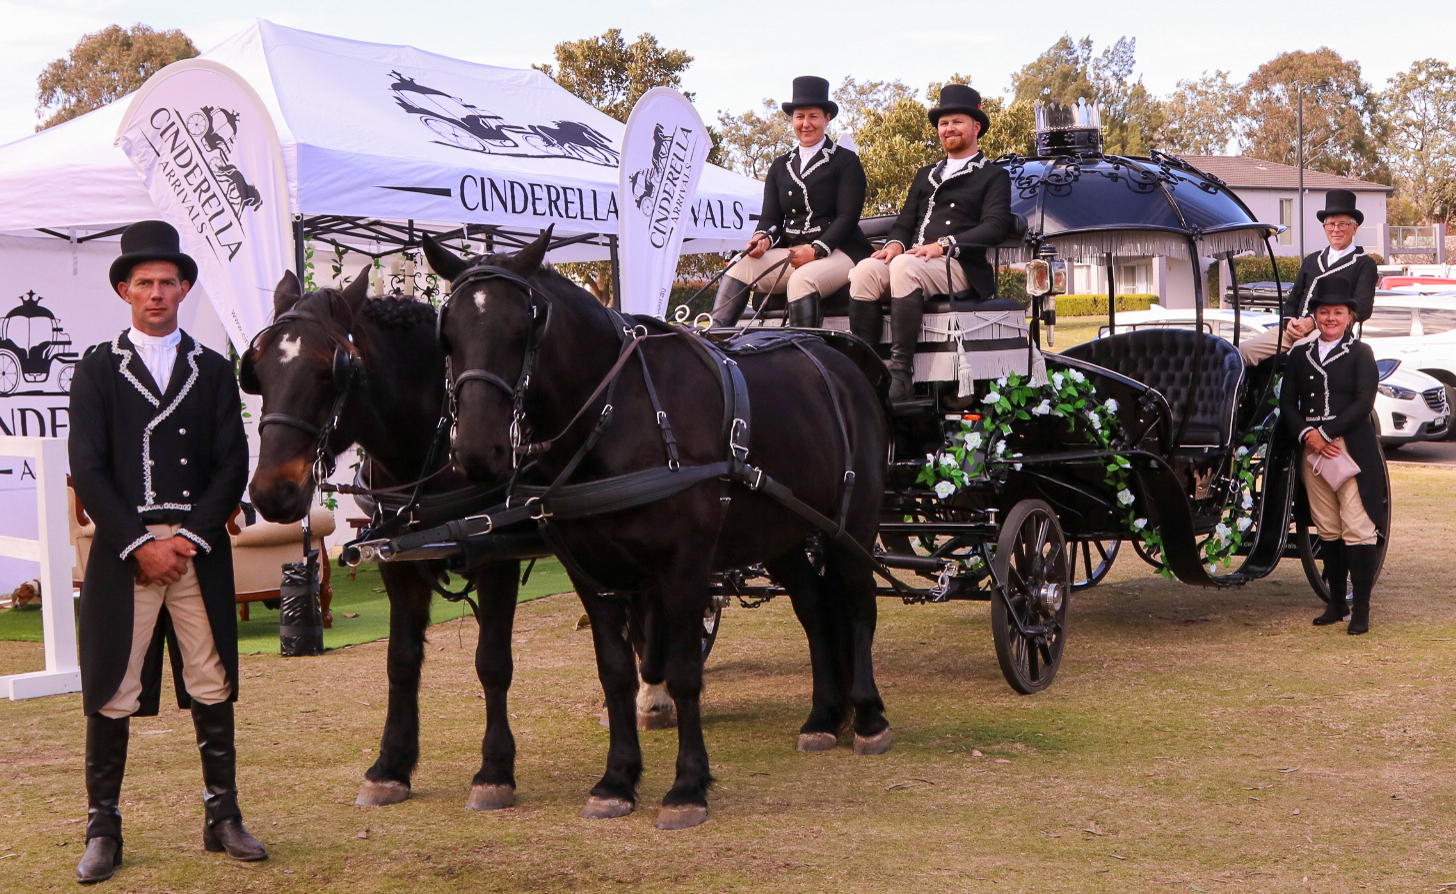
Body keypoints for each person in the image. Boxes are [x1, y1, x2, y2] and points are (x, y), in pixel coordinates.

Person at [69, 221, 260, 883]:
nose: (156, 293)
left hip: (195, 549)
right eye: (144, 282)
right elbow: (88, 469)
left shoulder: (212, 369)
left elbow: (231, 464)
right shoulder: (96, 367)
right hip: (126, 552)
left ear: (184, 288)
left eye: (167, 282)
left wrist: (184, 540)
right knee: (112, 685)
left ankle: (223, 815)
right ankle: (103, 827)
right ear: (124, 289)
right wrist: (138, 545)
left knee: (211, 680)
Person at [847, 83, 1014, 401]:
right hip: (913, 261)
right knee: (864, 271)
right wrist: (894, 244)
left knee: (905, 267)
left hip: (960, 264)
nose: (949, 128)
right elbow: (904, 223)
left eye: (957, 121)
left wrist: (944, 243)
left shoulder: (992, 175)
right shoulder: (925, 174)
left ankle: (901, 373)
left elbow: (996, 225)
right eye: (943, 123)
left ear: (976, 127)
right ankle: (864, 370)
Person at [710, 76, 872, 328]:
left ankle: (806, 355)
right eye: (799, 117)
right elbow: (771, 218)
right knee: (738, 265)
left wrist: (816, 249)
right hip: (794, 251)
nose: (805, 124)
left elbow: (848, 218)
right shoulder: (779, 166)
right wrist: (762, 237)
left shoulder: (846, 161)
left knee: (802, 279)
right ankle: (714, 341)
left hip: (840, 251)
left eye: (813, 116)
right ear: (792, 120)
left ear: (827, 118)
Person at [1278, 288, 1388, 635]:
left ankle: (1361, 610)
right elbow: (1287, 402)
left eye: (1338, 312)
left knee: (1356, 524)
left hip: (1348, 446)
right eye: (1324, 312)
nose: (1330, 319)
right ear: (1316, 316)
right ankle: (1336, 602)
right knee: (1327, 525)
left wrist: (1326, 433)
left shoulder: (1360, 353)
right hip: (1311, 449)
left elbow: (1364, 401)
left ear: (1349, 317)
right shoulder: (1300, 355)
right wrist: (1306, 435)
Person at [1283, 189, 1378, 323]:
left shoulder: (1364, 264)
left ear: (1354, 228)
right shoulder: (1311, 260)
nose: (1336, 230)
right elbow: (1293, 301)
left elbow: (1362, 308)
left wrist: (1315, 323)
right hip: (1294, 329)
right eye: (1331, 224)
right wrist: (1289, 322)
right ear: (1324, 228)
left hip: (1330, 334)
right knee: (1250, 345)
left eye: (1343, 224)